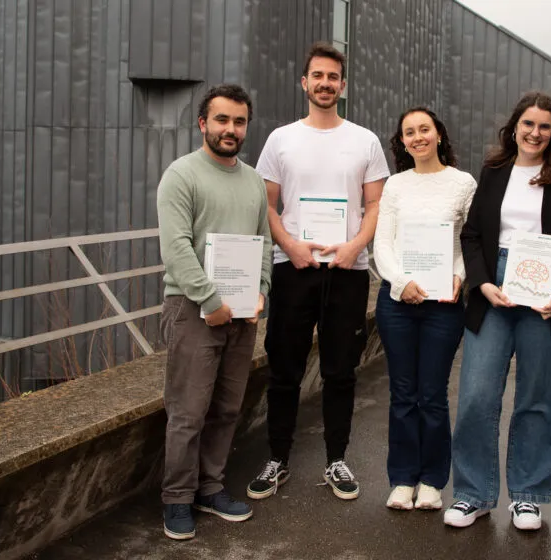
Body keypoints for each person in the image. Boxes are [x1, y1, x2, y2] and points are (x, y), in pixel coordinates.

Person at [247, 41, 389, 501]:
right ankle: (277, 459)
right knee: (284, 369)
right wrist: (290, 244)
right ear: (304, 82)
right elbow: (266, 205)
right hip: (294, 269)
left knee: (340, 372)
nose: (325, 84)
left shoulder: (364, 140)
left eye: (333, 77)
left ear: (342, 86)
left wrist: (353, 248)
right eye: (318, 76)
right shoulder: (281, 139)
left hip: (347, 271)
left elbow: (375, 205)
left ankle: (336, 460)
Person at [446, 92, 551, 531]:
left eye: (545, 126)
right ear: (514, 127)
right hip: (495, 288)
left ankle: (527, 496)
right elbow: (472, 236)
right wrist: (483, 282)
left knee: (538, 398)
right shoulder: (493, 171)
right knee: (476, 396)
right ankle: (473, 493)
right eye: (528, 124)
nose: (535, 132)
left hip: (546, 295)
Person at [156, 84, 272, 540]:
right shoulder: (181, 175)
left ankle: (210, 487)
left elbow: (262, 244)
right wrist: (210, 301)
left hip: (242, 313)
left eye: (239, 121)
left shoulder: (253, 181)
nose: (230, 129)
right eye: (221, 120)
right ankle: (177, 498)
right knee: (188, 410)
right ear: (203, 123)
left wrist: (260, 291)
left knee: (226, 407)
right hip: (193, 309)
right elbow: (176, 249)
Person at [373, 107, 475, 511]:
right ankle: (401, 478)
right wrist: (401, 283)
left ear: (438, 134)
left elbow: (472, 240)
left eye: (424, 130)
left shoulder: (463, 183)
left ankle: (432, 480)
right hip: (398, 302)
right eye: (409, 132)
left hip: (444, 304)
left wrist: (459, 276)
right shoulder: (396, 186)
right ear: (402, 141)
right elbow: (383, 243)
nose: (417, 137)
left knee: (432, 395)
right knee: (402, 393)